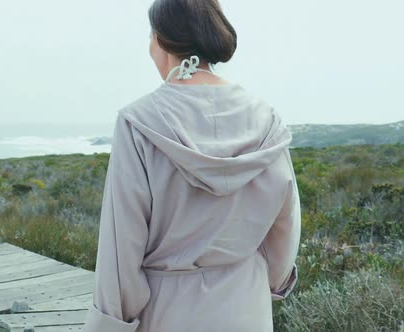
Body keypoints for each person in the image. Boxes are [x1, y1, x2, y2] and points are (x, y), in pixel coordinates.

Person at [83, 0, 301, 331]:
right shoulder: (266, 119)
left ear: (160, 39)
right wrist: (263, 282)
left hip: (168, 313)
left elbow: (120, 248)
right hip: (246, 307)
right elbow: (284, 227)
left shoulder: (138, 123)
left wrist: (111, 323)